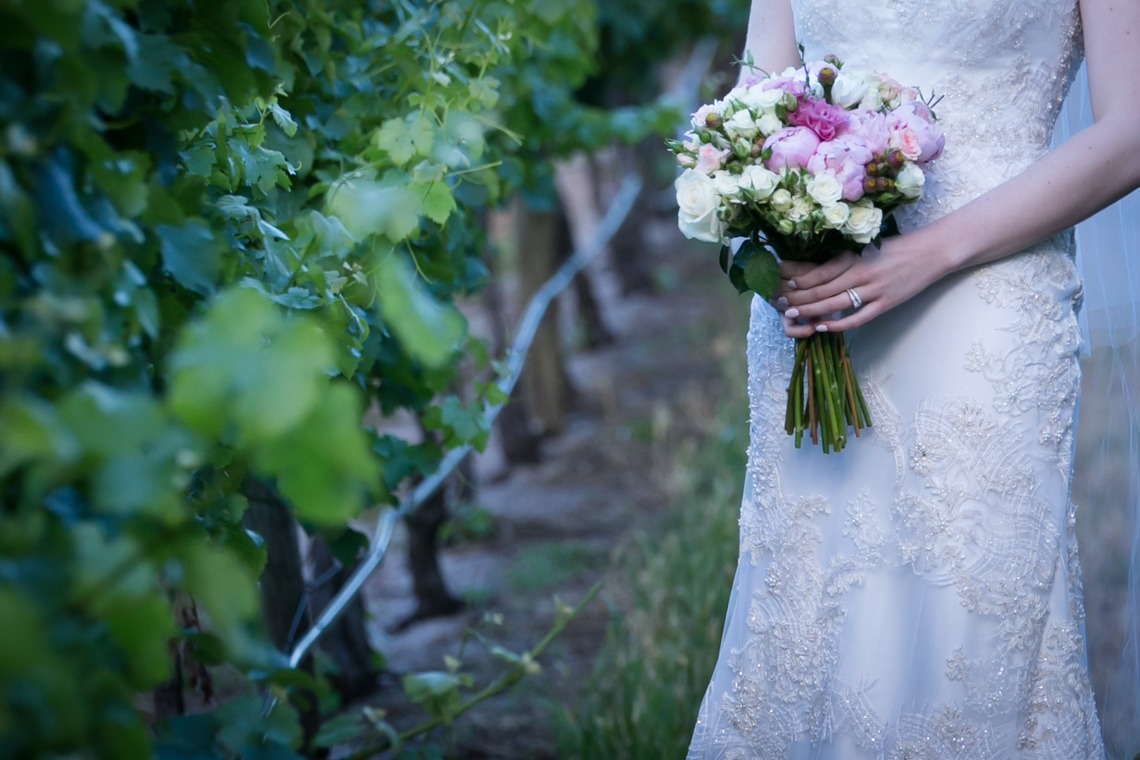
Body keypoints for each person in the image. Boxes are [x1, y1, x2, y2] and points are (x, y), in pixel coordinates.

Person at [687, 0, 1140, 757]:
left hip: (987, 309)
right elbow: (754, 95)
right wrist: (766, 254)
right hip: (817, 302)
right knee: (808, 629)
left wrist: (924, 255)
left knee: (967, 639)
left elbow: (1129, 133)